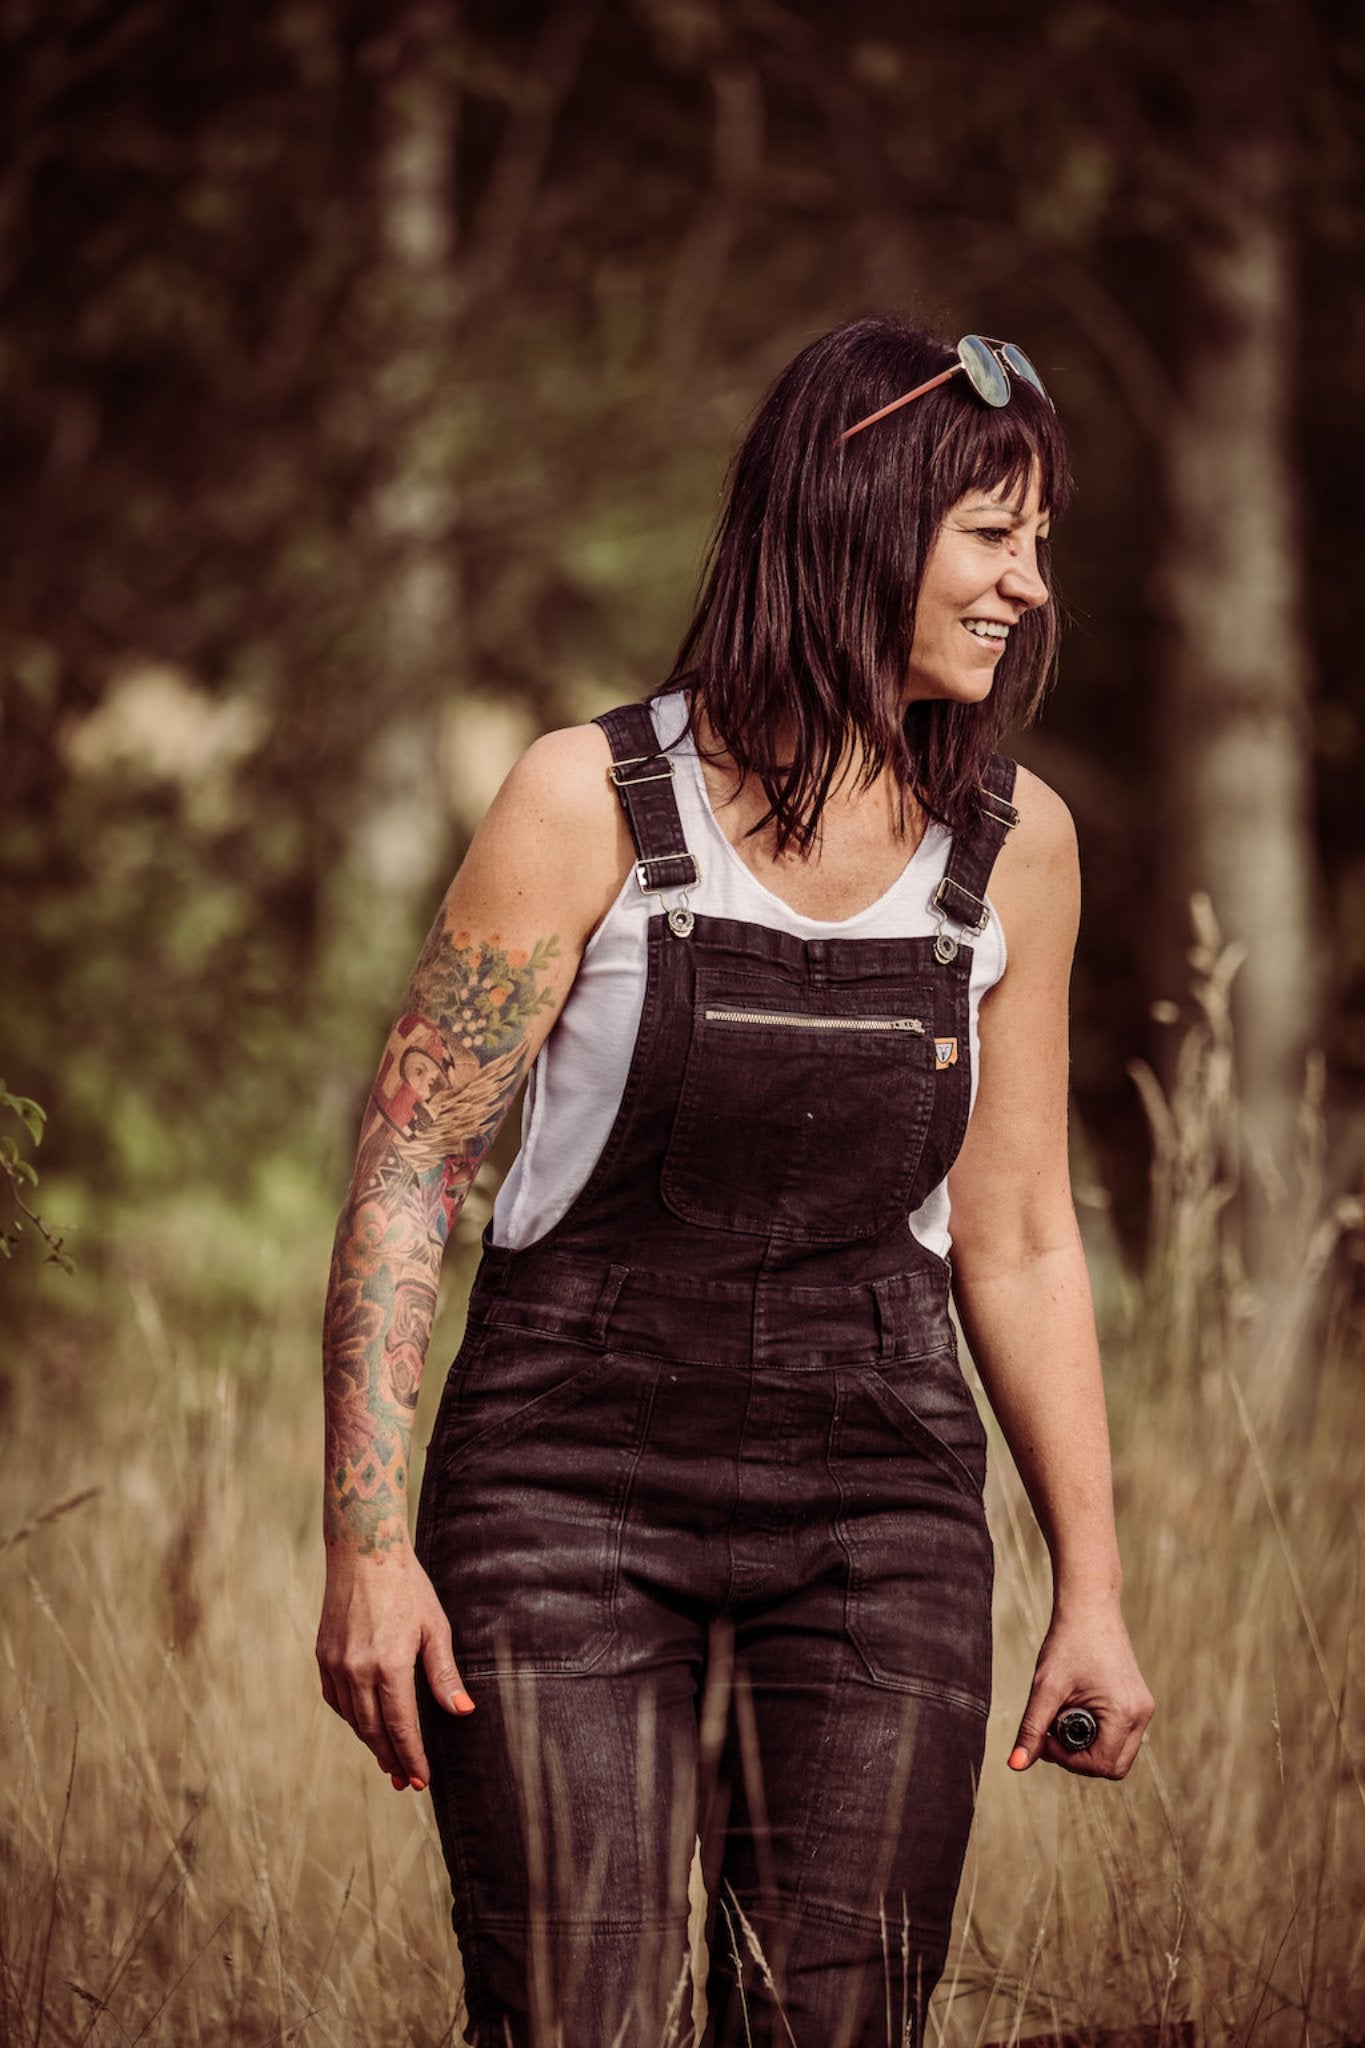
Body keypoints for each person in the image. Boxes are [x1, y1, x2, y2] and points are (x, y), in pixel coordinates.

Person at [315, 315, 1156, 2047]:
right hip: (561, 1504)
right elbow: (411, 1172)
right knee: (579, 2016)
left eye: (1040, 548)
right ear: (856, 518)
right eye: (993, 538)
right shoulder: (589, 801)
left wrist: (1094, 1592)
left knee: (829, 2024)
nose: (1027, 589)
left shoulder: (1017, 846)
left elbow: (1012, 1237)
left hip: (878, 1516)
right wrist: (366, 1546)